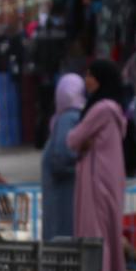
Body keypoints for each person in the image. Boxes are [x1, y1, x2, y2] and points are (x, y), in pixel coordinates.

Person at [69, 57, 131, 271]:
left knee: (95, 232)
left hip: (96, 178)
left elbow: (73, 140)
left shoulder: (100, 109)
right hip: (110, 176)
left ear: (101, 79)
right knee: (109, 231)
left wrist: (83, 142)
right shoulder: (114, 108)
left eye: (91, 75)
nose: (87, 80)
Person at [40, 71, 86, 242]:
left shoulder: (59, 119)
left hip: (57, 194)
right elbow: (63, 155)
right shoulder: (71, 118)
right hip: (65, 194)